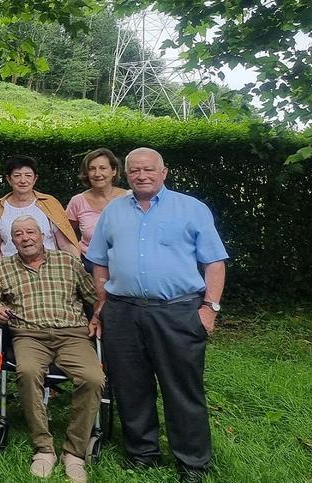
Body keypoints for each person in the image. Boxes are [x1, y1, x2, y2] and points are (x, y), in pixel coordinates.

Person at [87, 148, 228, 483]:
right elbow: (99, 262)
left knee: (182, 387)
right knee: (131, 387)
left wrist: (210, 309)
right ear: (127, 174)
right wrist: (102, 301)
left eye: (149, 169)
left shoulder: (191, 209)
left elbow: (215, 264)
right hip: (122, 313)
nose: (142, 175)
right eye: (135, 170)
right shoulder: (113, 211)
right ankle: (141, 453)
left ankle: (192, 462)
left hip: (178, 311)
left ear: (164, 172)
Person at [0, 216, 104, 483]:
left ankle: (74, 452)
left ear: (42, 235)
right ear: (12, 241)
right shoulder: (4, 267)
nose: (25, 238)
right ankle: (44, 448)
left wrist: (97, 316)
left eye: (30, 232)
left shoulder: (68, 261)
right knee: (26, 372)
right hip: (29, 335)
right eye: (18, 234)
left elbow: (93, 298)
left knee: (94, 378)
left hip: (72, 335)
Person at [0, 155, 80, 275]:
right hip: (12, 272)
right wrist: (7, 270)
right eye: (17, 176)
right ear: (8, 179)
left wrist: (77, 268)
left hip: (50, 270)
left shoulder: (49, 203)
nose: (23, 180)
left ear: (35, 178)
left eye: (28, 175)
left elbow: (65, 243)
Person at [67, 148, 129, 271]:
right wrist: (76, 257)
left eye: (103, 168)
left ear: (114, 171)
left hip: (126, 264)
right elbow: (65, 234)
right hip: (89, 265)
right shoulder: (77, 201)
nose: (97, 173)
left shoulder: (130, 198)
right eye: (92, 169)